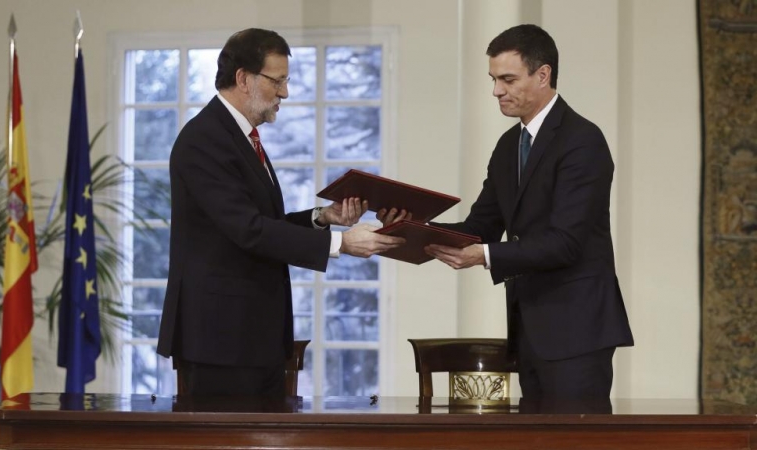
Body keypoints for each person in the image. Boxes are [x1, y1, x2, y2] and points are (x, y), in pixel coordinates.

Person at [380, 24, 633, 399]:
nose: (496, 90)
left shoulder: (583, 141)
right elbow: (481, 226)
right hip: (528, 328)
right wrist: (415, 229)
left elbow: (565, 243)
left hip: (578, 331)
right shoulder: (508, 145)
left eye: (508, 79)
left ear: (543, 74)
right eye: (494, 79)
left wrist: (481, 256)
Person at [157, 28, 404, 397]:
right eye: (278, 81)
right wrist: (342, 244)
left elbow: (263, 224)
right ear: (243, 78)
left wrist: (323, 217)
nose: (284, 93)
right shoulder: (204, 139)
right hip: (221, 342)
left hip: (254, 338)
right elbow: (250, 231)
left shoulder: (241, 137)